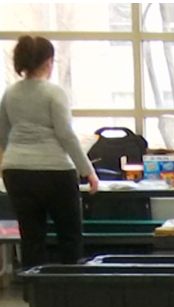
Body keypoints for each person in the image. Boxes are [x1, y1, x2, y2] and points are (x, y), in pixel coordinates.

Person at [0, 35, 99, 268]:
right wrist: (88, 171)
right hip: (55, 172)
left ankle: (33, 288)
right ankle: (69, 287)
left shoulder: (9, 94)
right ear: (48, 62)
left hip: (16, 171)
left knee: (31, 238)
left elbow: (3, 134)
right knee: (70, 237)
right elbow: (66, 135)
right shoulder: (54, 93)